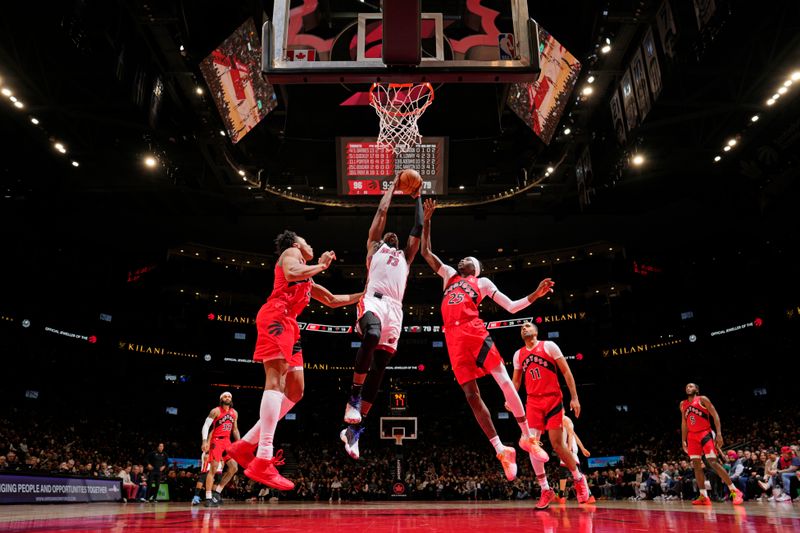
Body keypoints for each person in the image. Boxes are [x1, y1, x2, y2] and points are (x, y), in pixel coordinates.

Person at [419, 198, 554, 482]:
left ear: (476, 268)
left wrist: (535, 295)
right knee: (471, 395)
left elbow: (512, 307)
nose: (462, 259)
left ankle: (527, 436)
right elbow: (426, 251)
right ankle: (501, 449)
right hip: (453, 339)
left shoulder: (482, 283)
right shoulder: (448, 276)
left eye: (469, 259)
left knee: (504, 380)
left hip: (474, 331)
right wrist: (428, 218)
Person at [228, 230, 362, 490]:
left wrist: (367, 294)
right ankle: (263, 458)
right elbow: (290, 273)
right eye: (307, 241)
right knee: (275, 379)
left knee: (296, 390)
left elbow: (334, 301)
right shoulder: (291, 254)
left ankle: (245, 444)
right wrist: (321, 265)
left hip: (290, 325)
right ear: (296, 244)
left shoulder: (308, 279)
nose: (310, 244)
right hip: (276, 315)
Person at [341, 172, 423, 460]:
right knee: (372, 335)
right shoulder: (375, 247)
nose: (393, 235)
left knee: (382, 364)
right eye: (390, 235)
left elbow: (418, 227)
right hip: (373, 300)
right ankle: (353, 397)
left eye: (396, 237)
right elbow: (382, 212)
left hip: (395, 309)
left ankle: (354, 431)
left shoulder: (405, 257)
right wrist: (391, 187)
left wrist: (418, 198)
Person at [510, 322, 594, 508]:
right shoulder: (518, 354)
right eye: (521, 327)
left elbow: (566, 371)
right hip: (532, 402)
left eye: (528, 325)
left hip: (553, 400)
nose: (524, 327)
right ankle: (545, 489)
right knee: (533, 444)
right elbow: (516, 382)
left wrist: (575, 398)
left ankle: (579, 479)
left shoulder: (548, 346)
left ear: (536, 331)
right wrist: (511, 398)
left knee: (557, 445)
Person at [680, 383, 743, 505]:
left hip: (705, 433)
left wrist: (719, 433)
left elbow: (715, 415)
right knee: (696, 465)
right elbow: (684, 422)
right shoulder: (683, 404)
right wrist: (683, 439)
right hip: (692, 436)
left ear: (696, 390)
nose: (688, 388)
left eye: (691, 386)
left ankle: (734, 491)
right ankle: (703, 496)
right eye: (687, 386)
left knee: (712, 462)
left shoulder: (702, 399)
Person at [199, 391, 240, 507]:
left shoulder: (234, 413)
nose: (228, 398)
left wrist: (240, 443)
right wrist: (204, 441)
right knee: (213, 468)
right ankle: (208, 498)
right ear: (221, 399)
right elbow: (206, 425)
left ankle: (217, 492)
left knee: (234, 467)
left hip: (227, 441)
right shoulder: (215, 411)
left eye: (229, 396)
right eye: (225, 396)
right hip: (216, 441)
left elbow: (235, 430)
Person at [556, 415, 591, 503]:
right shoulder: (557, 422)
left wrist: (569, 448)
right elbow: (575, 435)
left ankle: (589, 494)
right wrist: (583, 448)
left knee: (576, 473)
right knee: (563, 472)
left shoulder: (566, 420)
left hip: (569, 450)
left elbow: (571, 435)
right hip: (567, 450)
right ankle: (561, 495)